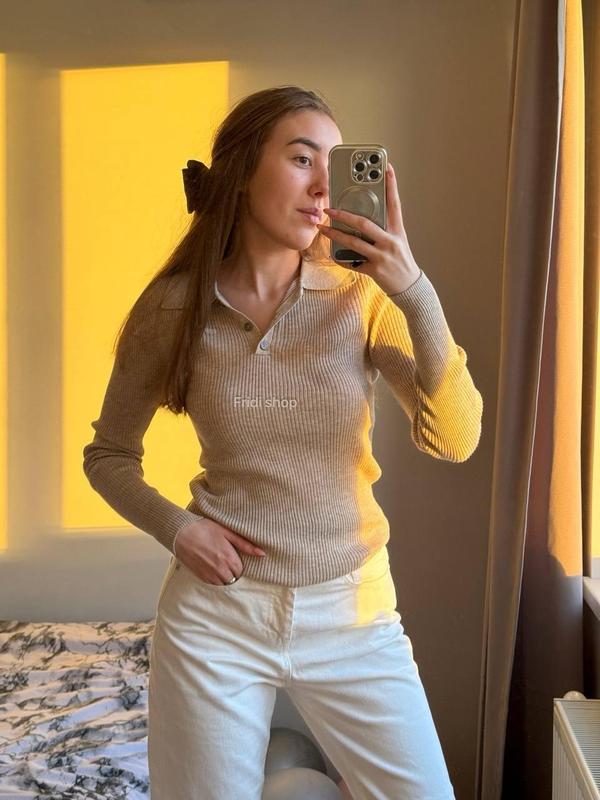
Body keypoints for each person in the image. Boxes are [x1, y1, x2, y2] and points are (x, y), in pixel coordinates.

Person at [82, 85, 482, 800]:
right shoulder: (173, 307)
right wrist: (179, 529)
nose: (325, 185)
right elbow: (108, 454)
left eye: (334, 162)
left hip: (353, 612)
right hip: (216, 620)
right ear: (242, 171)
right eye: (302, 159)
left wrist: (414, 288)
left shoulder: (363, 298)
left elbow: (456, 439)